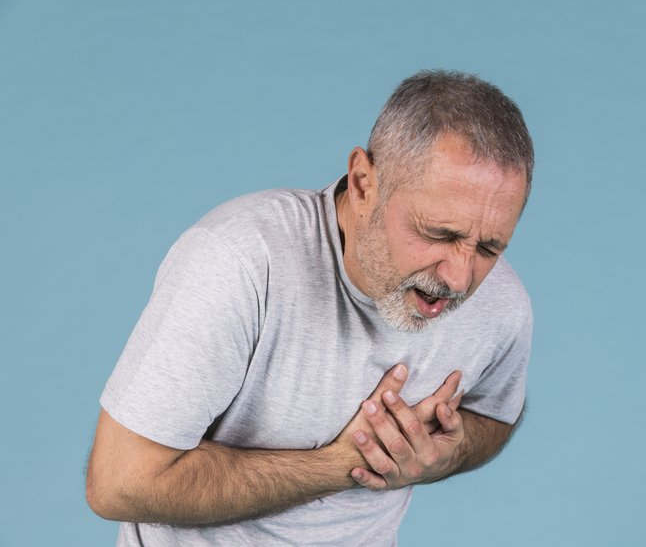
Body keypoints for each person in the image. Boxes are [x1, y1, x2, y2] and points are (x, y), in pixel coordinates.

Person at [86, 69, 535, 546]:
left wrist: (447, 453)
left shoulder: (502, 303)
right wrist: (344, 463)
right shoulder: (239, 261)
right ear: (363, 183)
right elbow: (119, 484)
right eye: (439, 234)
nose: (459, 279)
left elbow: (495, 415)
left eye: (489, 248)